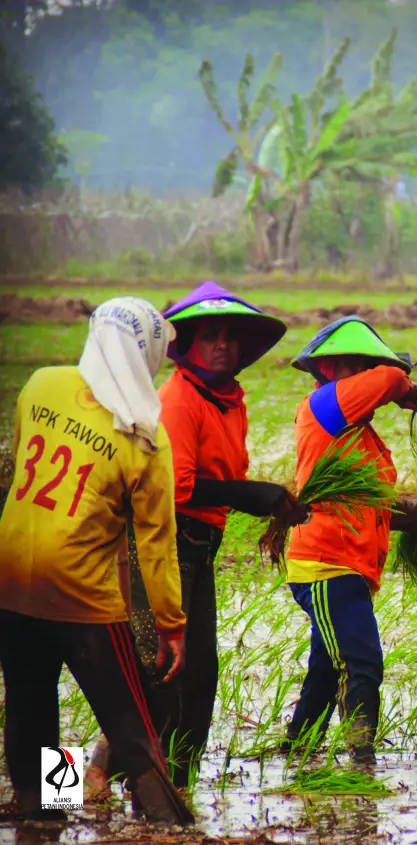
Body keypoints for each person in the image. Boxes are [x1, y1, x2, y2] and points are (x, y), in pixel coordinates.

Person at [86, 282, 305, 794]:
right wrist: (247, 494)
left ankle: (171, 790)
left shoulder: (228, 400)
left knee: (195, 676)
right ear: (186, 345)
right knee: (161, 674)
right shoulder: (180, 398)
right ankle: (71, 792)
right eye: (210, 336)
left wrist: (268, 499)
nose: (222, 345)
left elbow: (223, 476)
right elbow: (177, 487)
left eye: (230, 336)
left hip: (198, 547)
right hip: (163, 545)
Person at [0, 298, 193, 824]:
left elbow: (18, 470)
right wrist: (172, 624)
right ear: (148, 353)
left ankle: (47, 816)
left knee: (34, 704)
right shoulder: (145, 435)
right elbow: (156, 543)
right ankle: (167, 825)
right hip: (80, 591)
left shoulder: (40, 384)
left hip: (10, 578)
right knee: (128, 718)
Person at [283, 316, 417, 762]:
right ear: (327, 369)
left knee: (328, 670)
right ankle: (362, 760)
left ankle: (297, 750)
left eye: (367, 367)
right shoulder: (323, 406)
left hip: (350, 565)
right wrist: (402, 386)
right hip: (327, 565)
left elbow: (364, 503)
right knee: (362, 662)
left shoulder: (356, 432)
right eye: (355, 367)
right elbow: (390, 377)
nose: (365, 377)